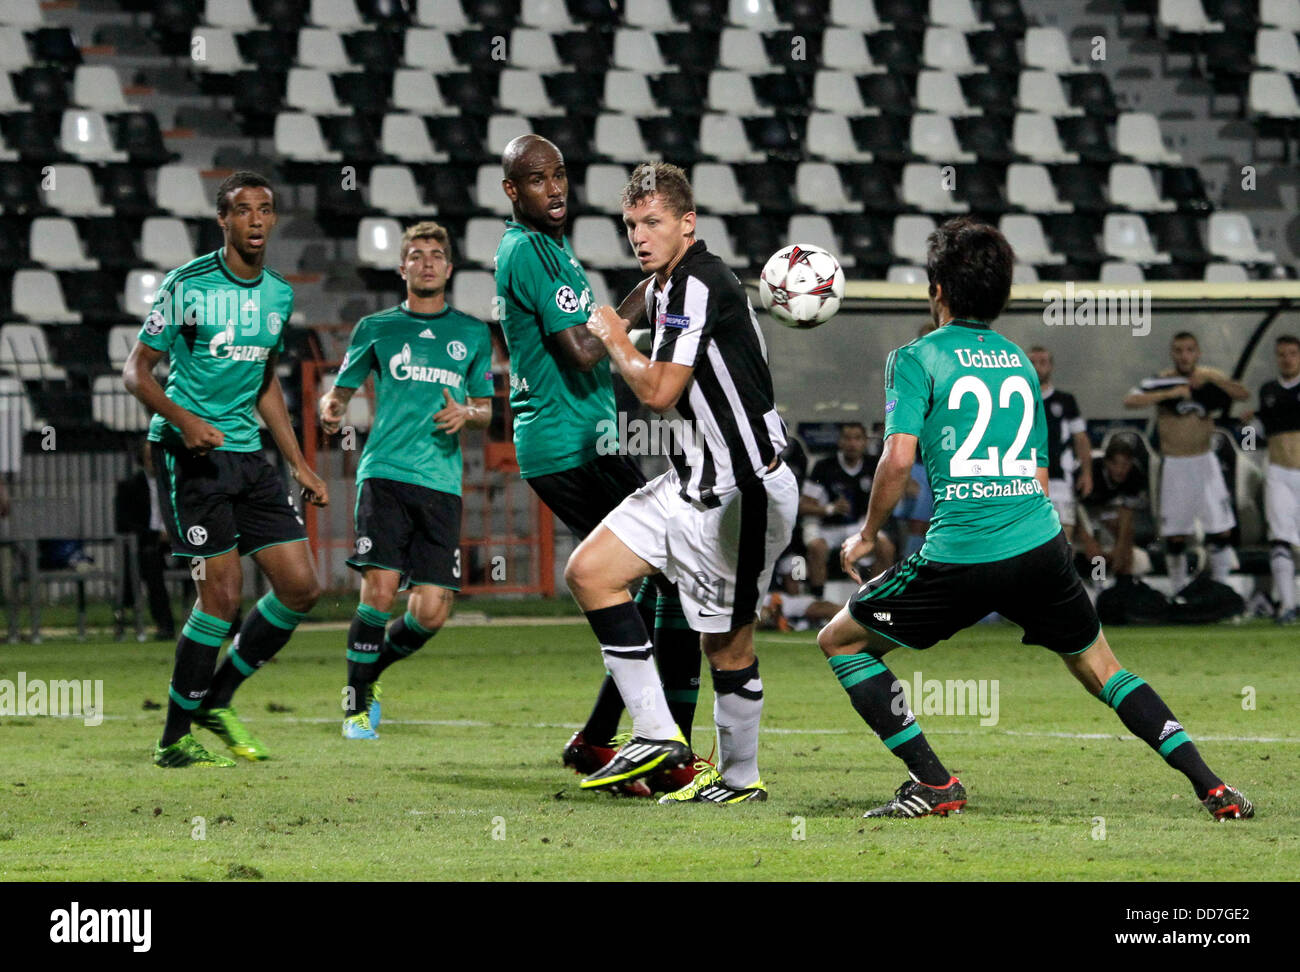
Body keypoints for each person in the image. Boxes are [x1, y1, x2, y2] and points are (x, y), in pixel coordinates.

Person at [817, 217, 1253, 822]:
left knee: (841, 642)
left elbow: (895, 460)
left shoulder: (915, 358)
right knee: (1104, 668)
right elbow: (1041, 479)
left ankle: (934, 782)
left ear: (937, 290)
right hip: (1041, 545)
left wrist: (867, 534)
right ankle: (1213, 787)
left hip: (962, 553)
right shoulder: (1019, 360)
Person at [574, 162, 799, 804]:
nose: (639, 236)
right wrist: (626, 314)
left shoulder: (699, 283)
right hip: (690, 482)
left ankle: (741, 781)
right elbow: (652, 302)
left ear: (687, 223)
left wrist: (615, 338)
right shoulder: (676, 281)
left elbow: (660, 390)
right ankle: (656, 733)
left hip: (743, 489)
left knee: (726, 646)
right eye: (631, 225)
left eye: (653, 223)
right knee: (590, 572)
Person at [492, 136, 703, 794]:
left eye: (559, 174)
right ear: (512, 192)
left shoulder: (547, 249)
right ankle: (658, 748)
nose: (553, 188)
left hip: (585, 441)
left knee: (657, 580)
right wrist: (652, 286)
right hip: (569, 447)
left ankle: (615, 742)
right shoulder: (527, 252)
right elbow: (585, 349)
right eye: (535, 179)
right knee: (668, 575)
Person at [123, 170, 328, 768]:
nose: (257, 221)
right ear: (224, 220)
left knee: (301, 588)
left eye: (265, 210)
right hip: (190, 456)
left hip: (248, 456)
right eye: (244, 211)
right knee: (221, 600)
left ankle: (217, 698)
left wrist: (298, 464)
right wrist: (185, 421)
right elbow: (136, 372)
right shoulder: (187, 285)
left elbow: (264, 382)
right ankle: (172, 739)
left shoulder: (278, 294)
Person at [318, 222, 494, 738]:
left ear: (449, 268)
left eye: (436, 255)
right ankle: (353, 709)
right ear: (402, 268)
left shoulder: (472, 332)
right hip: (386, 473)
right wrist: (332, 408)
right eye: (416, 255)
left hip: (442, 482)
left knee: (432, 612)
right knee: (380, 589)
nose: (426, 263)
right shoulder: (375, 327)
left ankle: (369, 676)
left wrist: (467, 413)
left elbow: (484, 408)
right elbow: (342, 391)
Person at [1123, 332, 1247, 592]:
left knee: (1220, 529)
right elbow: (1130, 400)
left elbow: (1242, 393)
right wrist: (1170, 393)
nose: (1184, 355)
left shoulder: (1209, 375)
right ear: (1172, 353)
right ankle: (1178, 591)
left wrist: (1212, 382)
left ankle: (1222, 590)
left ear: (1198, 352)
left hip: (1205, 461)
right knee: (1175, 534)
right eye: (1179, 350)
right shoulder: (1161, 380)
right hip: (1175, 464)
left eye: (1190, 350)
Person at [798, 422, 893, 595]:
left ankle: (876, 598)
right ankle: (818, 600)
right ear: (840, 442)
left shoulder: (873, 466)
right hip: (826, 527)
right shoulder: (824, 467)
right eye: (847, 438)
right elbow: (803, 506)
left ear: (865, 442)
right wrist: (830, 509)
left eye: (857, 438)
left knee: (886, 547)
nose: (852, 443)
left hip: (858, 525)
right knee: (816, 547)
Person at [1245, 334, 1300, 623]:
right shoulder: (1268, 390)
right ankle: (1287, 606)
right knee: (1280, 539)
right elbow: (1256, 434)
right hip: (1278, 473)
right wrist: (1249, 428)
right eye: (1282, 354)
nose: (1287, 359)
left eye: (1292, 353)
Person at [1027, 345, 1092, 540]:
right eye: (1032, 363)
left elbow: (1081, 438)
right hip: (1026, 480)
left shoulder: (1066, 400)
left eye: (1043, 362)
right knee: (1031, 539)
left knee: (1064, 538)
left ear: (1051, 366)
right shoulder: (1017, 399)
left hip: (1060, 479)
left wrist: (1087, 473)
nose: (1038, 367)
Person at [114, 438, 176, 640]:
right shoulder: (129, 487)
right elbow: (123, 524)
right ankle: (165, 625)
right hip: (148, 546)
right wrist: (157, 535)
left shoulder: (178, 484)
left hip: (181, 545)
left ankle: (224, 623)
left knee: (205, 561)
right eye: (150, 457)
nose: (155, 461)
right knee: (151, 560)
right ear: (141, 459)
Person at [1075, 437, 1151, 581]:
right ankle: (1098, 580)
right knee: (1093, 543)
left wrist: (1120, 549)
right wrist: (1088, 540)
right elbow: (1072, 509)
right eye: (1116, 464)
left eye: (1125, 464)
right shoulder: (1090, 470)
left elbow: (1126, 513)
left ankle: (1123, 581)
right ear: (1106, 462)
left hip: (1106, 507)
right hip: (1079, 508)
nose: (1120, 470)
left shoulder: (1134, 474)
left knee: (1126, 533)